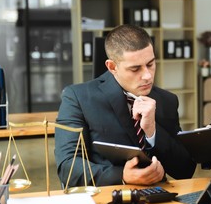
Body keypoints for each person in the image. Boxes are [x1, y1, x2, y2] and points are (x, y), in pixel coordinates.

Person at [54, 24, 196, 187]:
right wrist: (122, 176)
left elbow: (185, 170)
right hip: (107, 199)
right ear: (112, 67)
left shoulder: (167, 100)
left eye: (150, 64)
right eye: (135, 69)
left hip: (159, 198)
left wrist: (152, 131)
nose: (147, 76)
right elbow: (67, 167)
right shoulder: (78, 97)